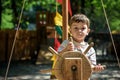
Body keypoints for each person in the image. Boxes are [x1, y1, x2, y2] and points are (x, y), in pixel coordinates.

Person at [51, 14, 104, 79]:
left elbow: (91, 67)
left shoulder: (90, 50)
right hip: (67, 77)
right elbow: (57, 57)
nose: (79, 31)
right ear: (70, 30)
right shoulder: (66, 43)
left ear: (88, 31)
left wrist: (96, 68)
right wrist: (66, 49)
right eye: (76, 28)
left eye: (83, 28)